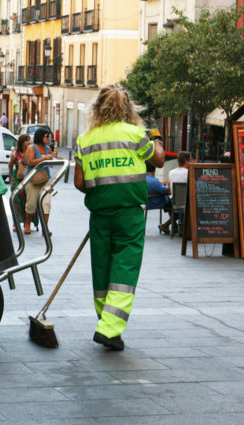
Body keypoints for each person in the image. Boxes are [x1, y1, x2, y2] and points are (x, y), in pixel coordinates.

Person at [74, 83, 165, 350]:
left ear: (98, 108)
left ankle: (107, 324)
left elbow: (80, 182)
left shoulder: (85, 140)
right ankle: (109, 328)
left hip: (100, 214)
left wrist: (102, 188)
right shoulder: (135, 134)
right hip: (129, 215)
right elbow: (158, 160)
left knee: (101, 271)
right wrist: (156, 139)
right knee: (124, 268)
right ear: (127, 108)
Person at [24, 128, 56, 235]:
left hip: (45, 179)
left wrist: (51, 157)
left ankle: (45, 228)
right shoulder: (31, 148)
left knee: (46, 203)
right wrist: (45, 158)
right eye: (46, 136)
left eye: (49, 137)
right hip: (32, 179)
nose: (48, 139)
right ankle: (27, 223)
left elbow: (50, 161)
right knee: (31, 204)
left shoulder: (48, 149)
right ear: (40, 136)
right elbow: (31, 162)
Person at [8, 134, 38, 232]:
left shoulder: (31, 152)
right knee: (15, 199)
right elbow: (10, 166)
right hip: (17, 178)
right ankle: (16, 223)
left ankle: (27, 222)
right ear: (21, 142)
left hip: (28, 178)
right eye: (26, 140)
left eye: (29, 140)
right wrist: (12, 159)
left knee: (27, 199)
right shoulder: (15, 153)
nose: (28, 142)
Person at [145, 160, 172, 235]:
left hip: (147, 201)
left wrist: (161, 183)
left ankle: (172, 225)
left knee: (171, 202)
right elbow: (167, 191)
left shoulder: (143, 179)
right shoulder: (154, 181)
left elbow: (156, 185)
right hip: (156, 202)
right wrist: (166, 184)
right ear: (155, 169)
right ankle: (167, 224)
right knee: (175, 205)